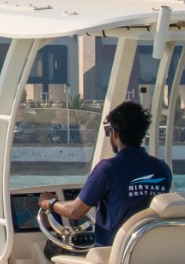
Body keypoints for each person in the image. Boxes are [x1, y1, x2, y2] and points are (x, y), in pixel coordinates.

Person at [50, 99, 172, 248]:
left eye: (108, 131)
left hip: (112, 256)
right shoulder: (162, 169)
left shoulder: (107, 169)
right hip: (148, 255)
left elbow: (75, 211)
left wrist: (50, 203)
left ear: (115, 133)